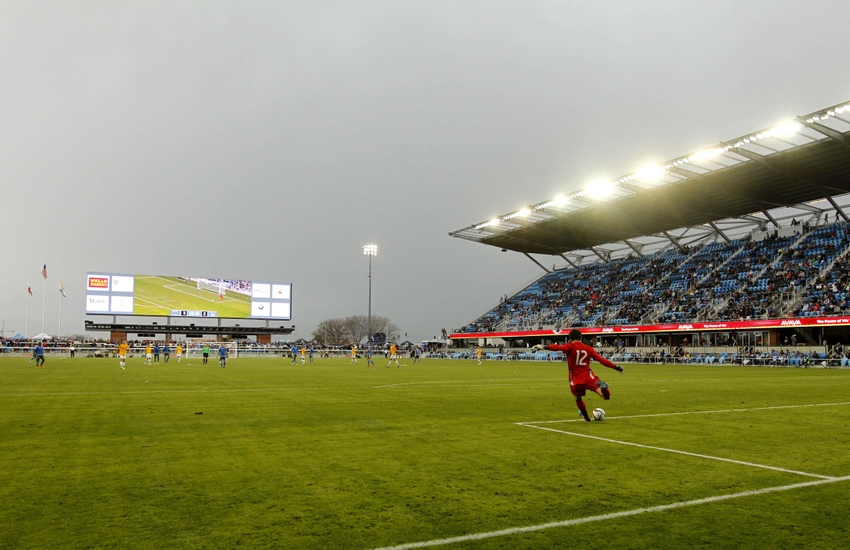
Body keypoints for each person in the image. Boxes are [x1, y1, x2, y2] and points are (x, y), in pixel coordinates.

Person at [533, 329, 624, 423]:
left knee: (578, 398)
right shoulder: (588, 348)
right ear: (581, 338)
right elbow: (602, 360)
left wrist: (544, 346)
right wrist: (616, 367)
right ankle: (604, 388)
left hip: (576, 380)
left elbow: (559, 348)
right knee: (605, 397)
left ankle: (586, 417)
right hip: (589, 377)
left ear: (570, 339)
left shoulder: (570, 346)